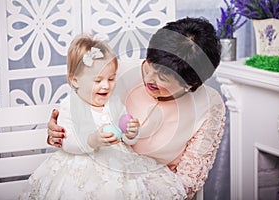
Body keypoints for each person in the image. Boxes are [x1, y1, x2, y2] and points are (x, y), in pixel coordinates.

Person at [47, 17, 226, 199]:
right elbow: (80, 106)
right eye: (149, 64)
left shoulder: (209, 104)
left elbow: (187, 183)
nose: (149, 78)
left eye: (162, 78)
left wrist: (139, 190)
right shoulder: (114, 73)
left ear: (189, 84)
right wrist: (61, 132)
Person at [20, 34, 187, 200]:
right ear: (75, 80)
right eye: (97, 80)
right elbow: (67, 141)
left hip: (117, 162)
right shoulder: (70, 105)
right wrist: (92, 140)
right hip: (81, 165)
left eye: (111, 78)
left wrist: (131, 132)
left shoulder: (113, 103)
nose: (106, 85)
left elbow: (125, 135)